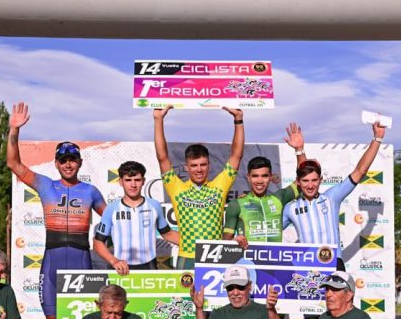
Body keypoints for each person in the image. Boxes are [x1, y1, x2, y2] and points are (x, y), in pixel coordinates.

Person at [7, 102, 106, 319]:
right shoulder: (45, 185)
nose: (68, 164)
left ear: (80, 163)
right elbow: (13, 164)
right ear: (56, 163)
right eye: (63, 160)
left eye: (72, 160)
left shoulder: (90, 191)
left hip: (81, 259)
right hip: (52, 261)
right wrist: (14, 131)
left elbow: (112, 220)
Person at [282, 121, 387, 270]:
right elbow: (269, 232)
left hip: (334, 264)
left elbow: (360, 171)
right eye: (305, 181)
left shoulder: (331, 197)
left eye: (314, 180)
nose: (310, 185)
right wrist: (299, 150)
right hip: (306, 267)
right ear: (298, 182)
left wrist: (377, 138)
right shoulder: (290, 208)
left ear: (321, 180)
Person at [153, 105, 245, 269]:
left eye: (203, 164)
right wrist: (158, 120)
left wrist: (238, 120)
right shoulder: (177, 188)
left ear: (209, 165)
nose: (199, 169)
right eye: (194, 165)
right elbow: (162, 157)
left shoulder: (219, 186)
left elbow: (236, 155)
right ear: (186, 167)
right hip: (186, 257)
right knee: (183, 296)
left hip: (215, 255)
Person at [222, 123, 307, 248]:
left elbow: (303, 180)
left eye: (264, 176)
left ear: (271, 177)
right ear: (248, 177)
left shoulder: (278, 198)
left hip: (274, 261)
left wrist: (299, 150)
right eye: (255, 176)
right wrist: (235, 241)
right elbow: (224, 243)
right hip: (247, 263)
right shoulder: (236, 204)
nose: (260, 181)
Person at [93, 161, 180, 274]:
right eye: (128, 180)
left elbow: (168, 234)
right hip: (120, 268)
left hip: (149, 266)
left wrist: (197, 244)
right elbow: (98, 243)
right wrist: (114, 261)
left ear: (143, 181)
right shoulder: (111, 209)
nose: (133, 185)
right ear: (120, 182)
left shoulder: (154, 205)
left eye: (137, 180)